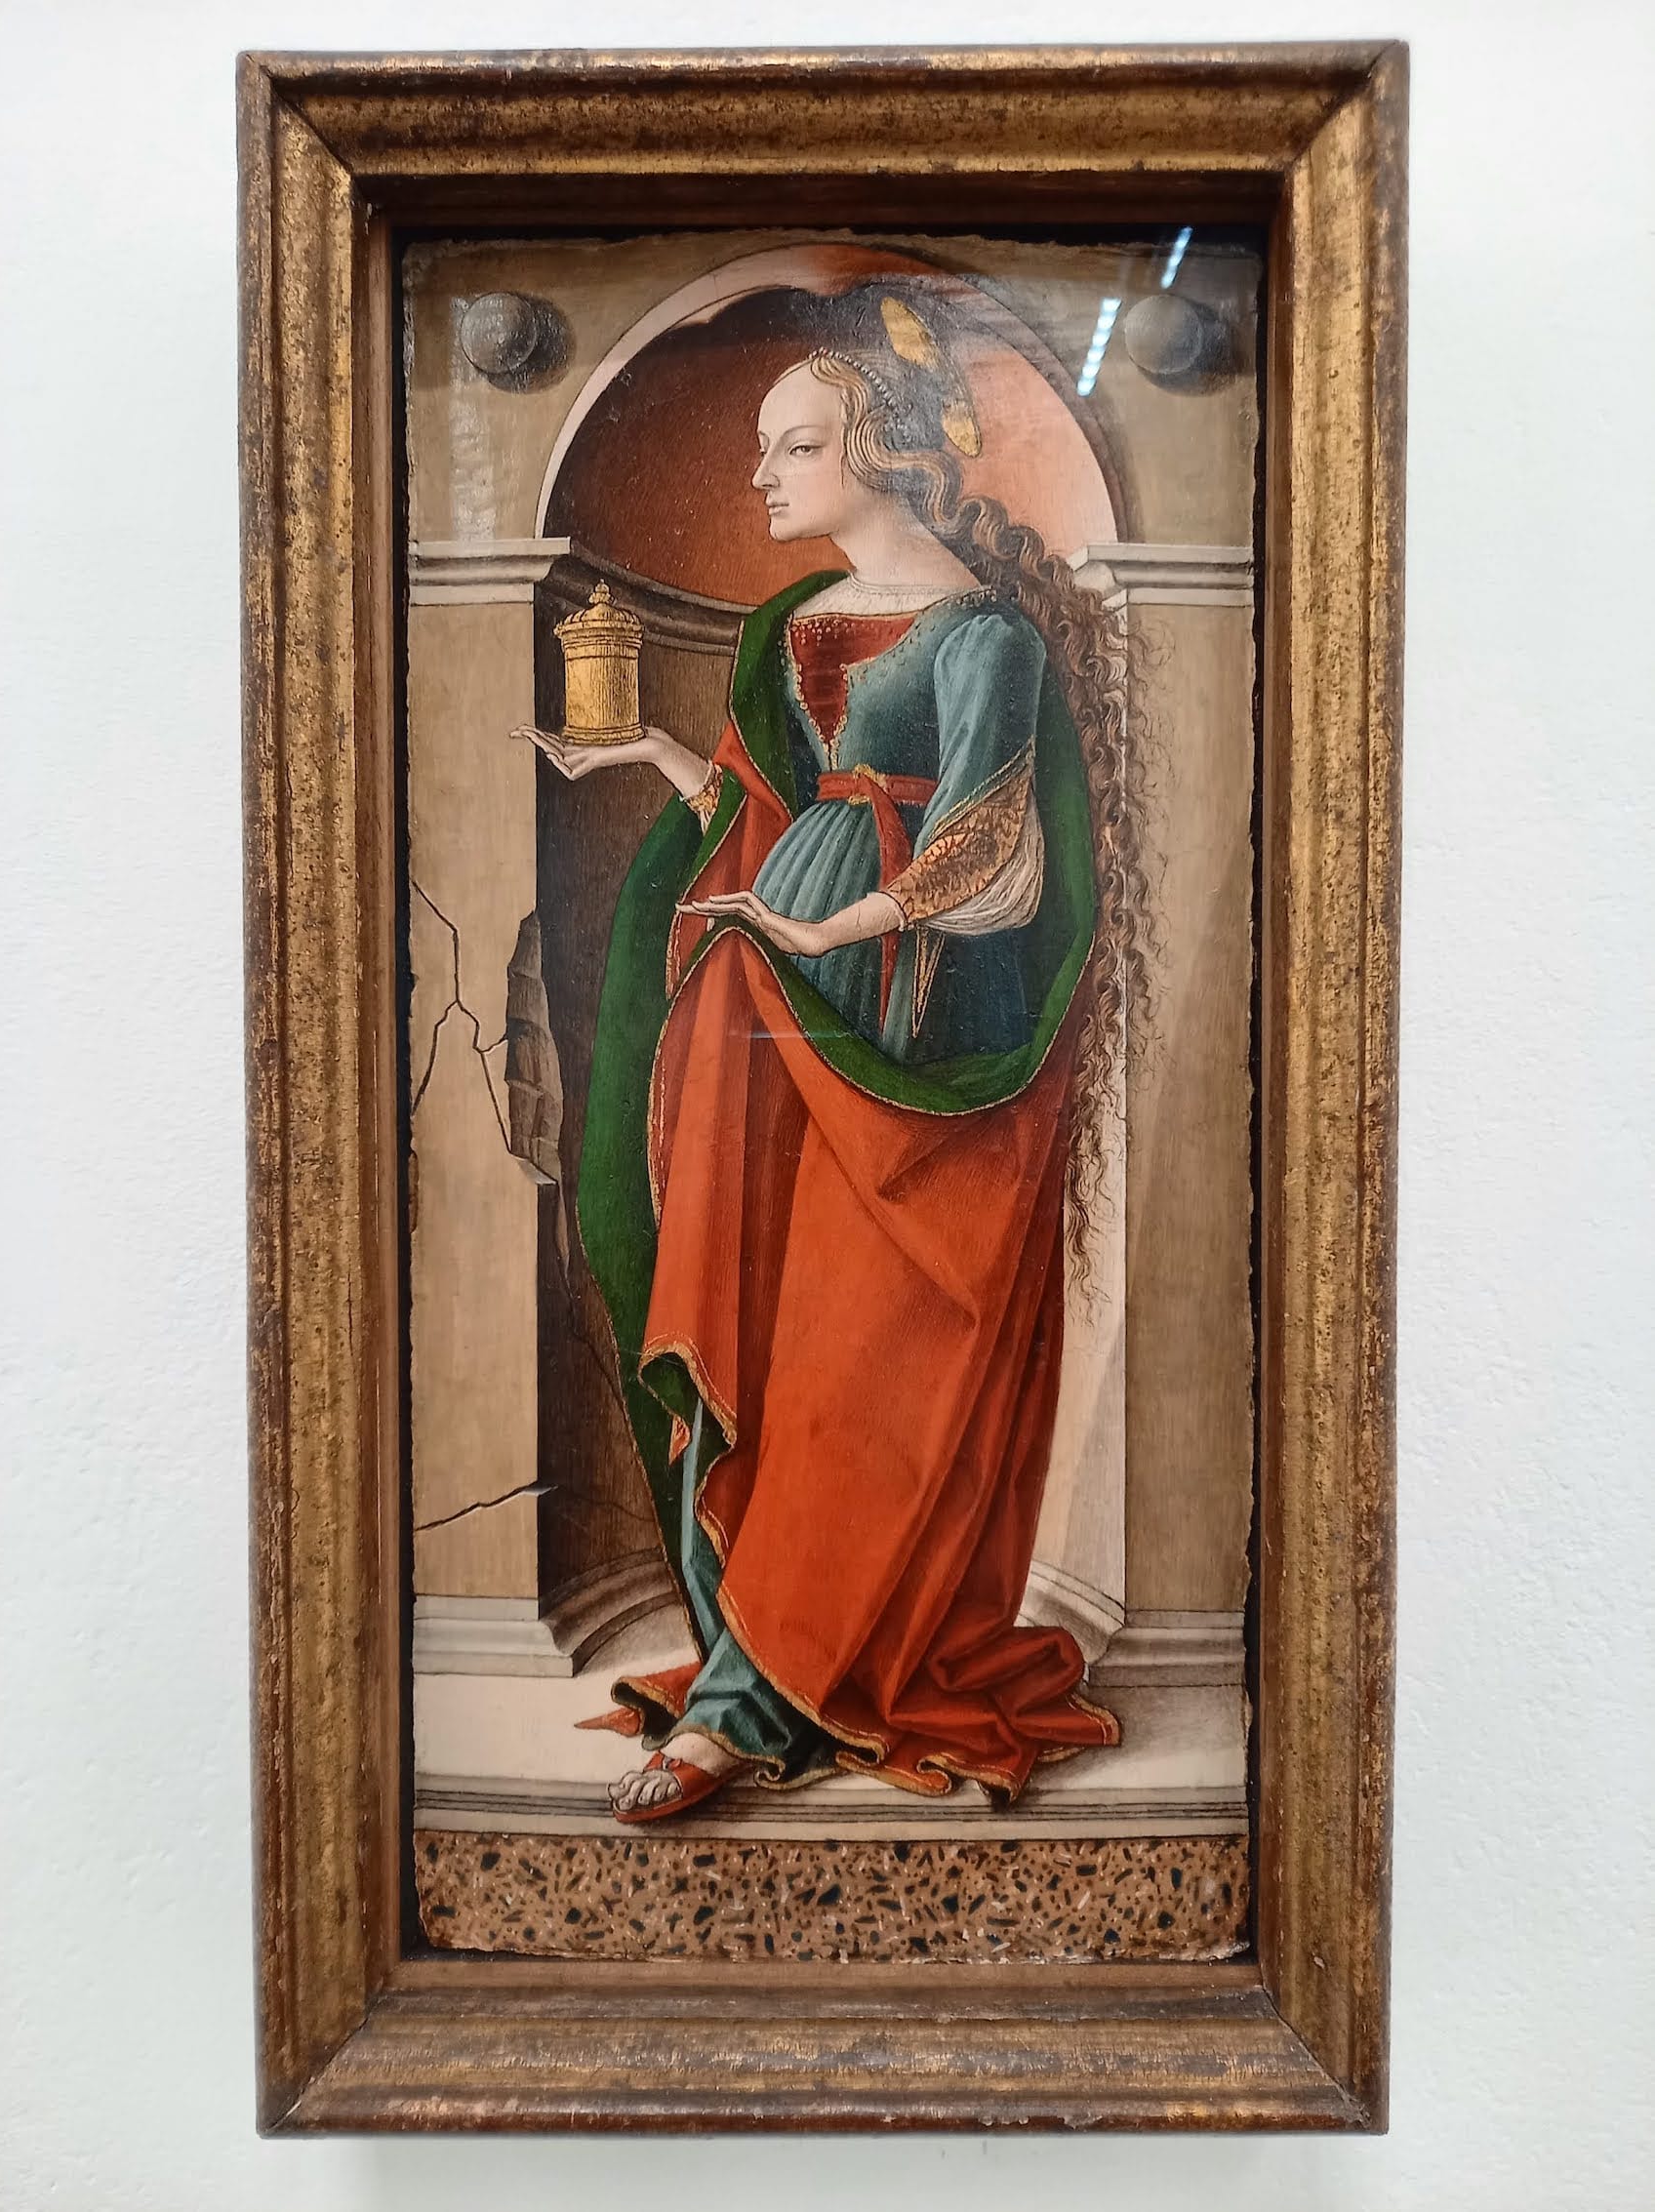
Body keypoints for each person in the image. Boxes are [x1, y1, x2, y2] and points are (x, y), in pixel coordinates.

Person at [515, 289, 1150, 1823]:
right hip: (775, 1006)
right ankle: (751, 1670)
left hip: (912, 1015)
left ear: (882, 448)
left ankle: (756, 1702)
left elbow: (989, 852)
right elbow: (762, 809)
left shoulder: (985, 634)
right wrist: (651, 756)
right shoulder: (787, 627)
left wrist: (825, 926)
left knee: (870, 1340)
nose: (761, 475)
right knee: (769, 1318)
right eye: (763, 447)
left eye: (794, 445)